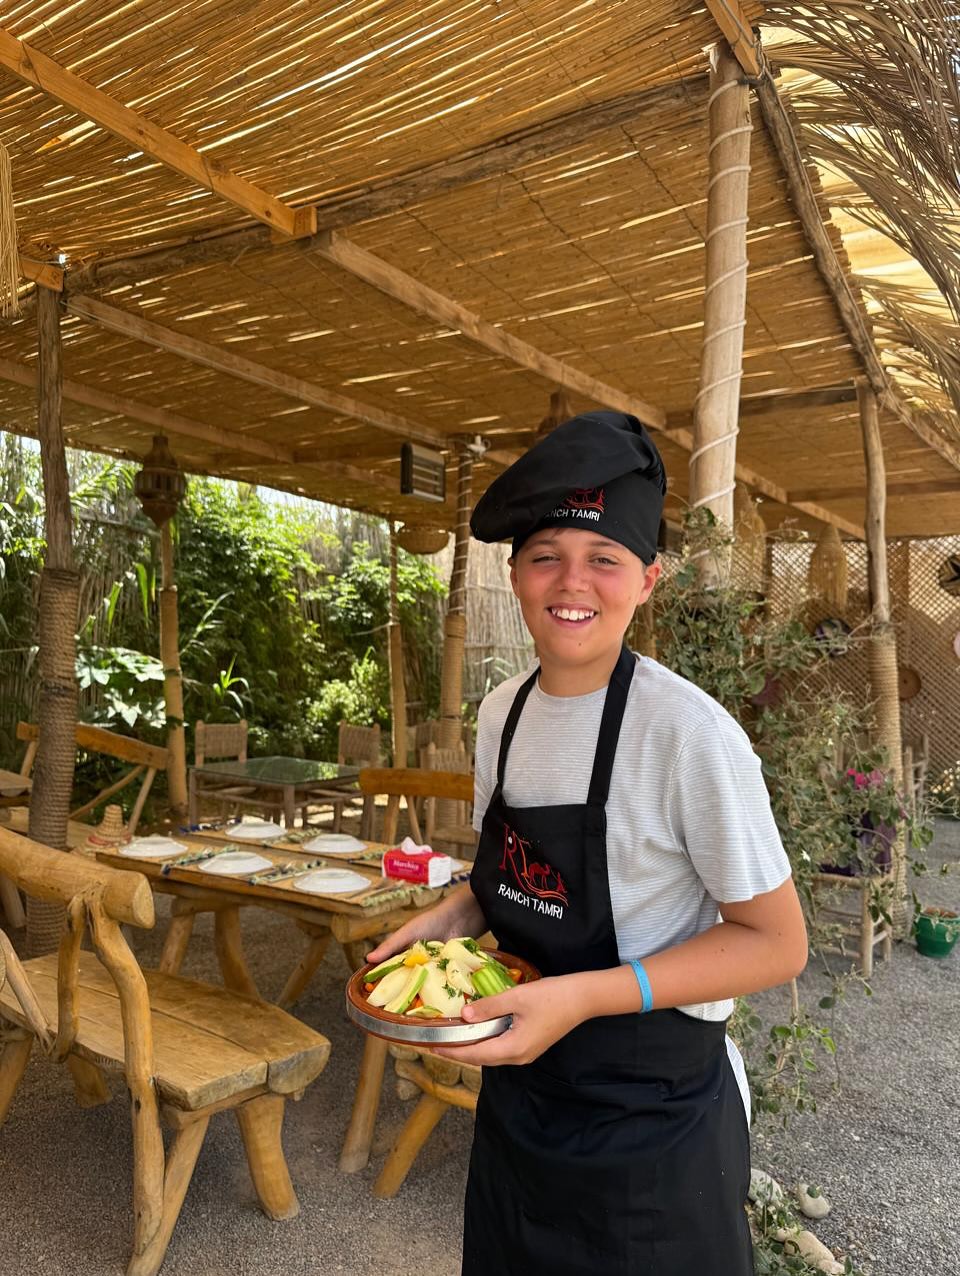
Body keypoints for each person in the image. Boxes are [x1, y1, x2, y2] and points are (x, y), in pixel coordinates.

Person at [366, 409, 808, 1276]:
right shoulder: (503, 714)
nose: (574, 582)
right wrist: (450, 920)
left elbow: (776, 942)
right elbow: (509, 874)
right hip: (522, 1102)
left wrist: (579, 1000)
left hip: (654, 1117)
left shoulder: (690, 735)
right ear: (516, 573)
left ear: (647, 579)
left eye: (604, 558)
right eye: (547, 556)